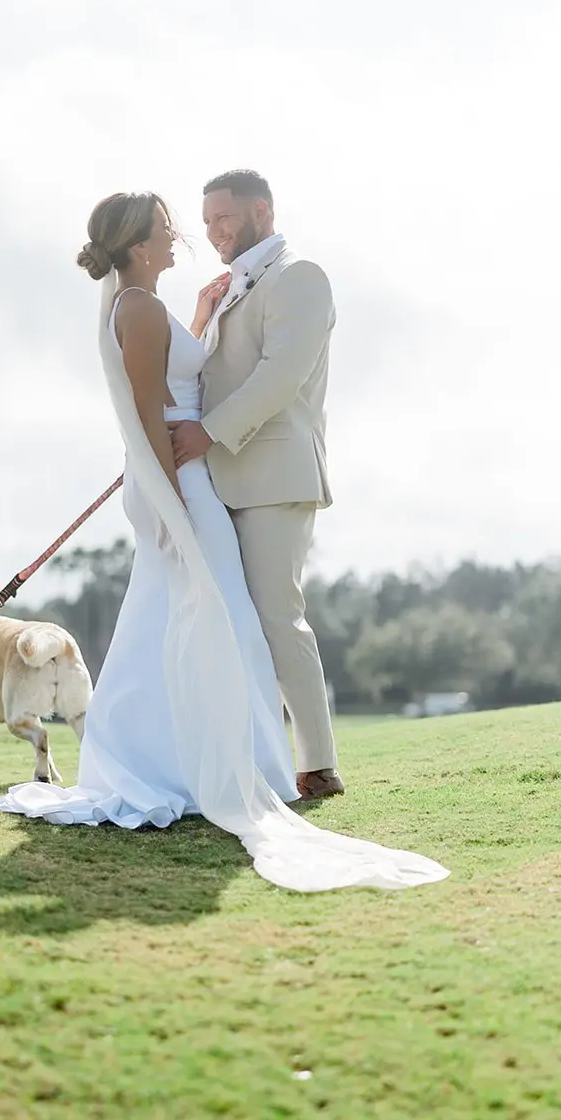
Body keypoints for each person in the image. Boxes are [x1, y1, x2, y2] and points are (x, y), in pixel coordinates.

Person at [0, 192, 449, 894]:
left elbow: (177, 377)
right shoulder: (138, 309)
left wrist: (200, 321)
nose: (181, 236)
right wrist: (170, 499)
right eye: (168, 228)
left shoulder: (144, 303)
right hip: (180, 483)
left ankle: (192, 760)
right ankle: (207, 765)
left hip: (185, 477)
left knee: (192, 618)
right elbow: (149, 409)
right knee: (220, 618)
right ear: (139, 245)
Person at [172, 170, 343, 801]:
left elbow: (281, 375)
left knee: (277, 617)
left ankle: (319, 765)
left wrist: (207, 433)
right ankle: (258, 759)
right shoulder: (231, 287)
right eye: (207, 220)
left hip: (274, 473)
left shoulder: (301, 275)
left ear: (261, 213)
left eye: (223, 217)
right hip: (222, 477)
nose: (213, 230)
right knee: (237, 623)